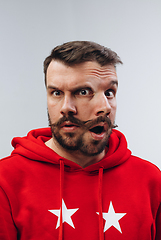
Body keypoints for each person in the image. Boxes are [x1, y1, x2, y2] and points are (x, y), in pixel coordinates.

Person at [0, 41, 161, 240]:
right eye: (56, 93)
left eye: (82, 92)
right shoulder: (6, 180)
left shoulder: (150, 180)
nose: (65, 108)